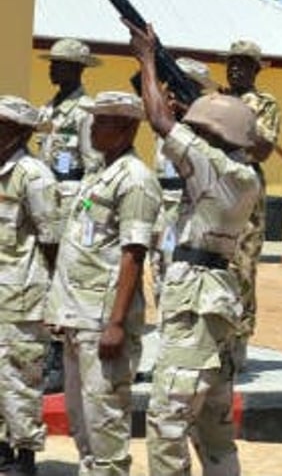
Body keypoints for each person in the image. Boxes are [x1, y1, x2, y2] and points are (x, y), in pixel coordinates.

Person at [128, 22, 261, 476]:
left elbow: (160, 121)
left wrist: (147, 57)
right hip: (216, 298)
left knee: (167, 420)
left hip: (196, 301)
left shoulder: (216, 168)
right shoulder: (240, 173)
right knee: (213, 423)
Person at [44, 92, 161, 475]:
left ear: (128, 127)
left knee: (105, 421)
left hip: (102, 322)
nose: (92, 127)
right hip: (77, 315)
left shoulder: (136, 179)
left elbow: (133, 253)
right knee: (82, 418)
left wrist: (115, 323)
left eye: (103, 121)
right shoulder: (98, 173)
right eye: (94, 119)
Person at [35, 37, 104, 394]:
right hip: (44, 202)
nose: (52, 67)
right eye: (52, 62)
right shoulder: (48, 110)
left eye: (59, 63)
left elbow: (94, 169)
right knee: (43, 281)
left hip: (70, 205)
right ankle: (44, 352)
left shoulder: (84, 112)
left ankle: (60, 360)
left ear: (77, 69)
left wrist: (85, 211)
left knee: (64, 283)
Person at [0, 96, 58, 475]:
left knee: (20, 382)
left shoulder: (33, 174)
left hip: (23, 298)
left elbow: (52, 240)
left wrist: (53, 300)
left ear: (19, 131)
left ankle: (24, 459)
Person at [220, 41, 282, 371]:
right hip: (213, 183)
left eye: (244, 64)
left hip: (244, 184)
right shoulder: (214, 100)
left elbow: (262, 149)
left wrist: (233, 122)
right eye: (232, 63)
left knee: (242, 265)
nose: (235, 69)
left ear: (256, 69)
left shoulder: (264, 104)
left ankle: (239, 338)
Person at [149, 57, 219, 306]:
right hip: (160, 205)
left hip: (185, 206)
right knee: (158, 266)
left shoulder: (206, 128)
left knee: (177, 267)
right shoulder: (165, 121)